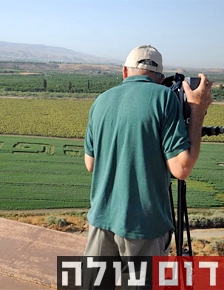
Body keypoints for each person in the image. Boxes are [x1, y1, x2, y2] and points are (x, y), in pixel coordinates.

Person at [82, 45, 212, 288]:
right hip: (145, 227)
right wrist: (197, 111)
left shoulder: (101, 101)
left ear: (124, 71)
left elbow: (90, 164)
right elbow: (181, 169)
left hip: (100, 220)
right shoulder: (164, 98)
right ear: (161, 78)